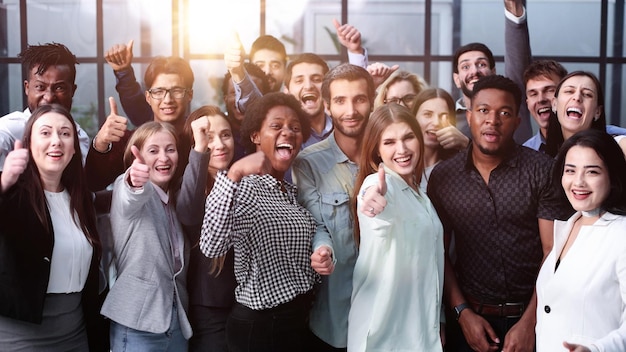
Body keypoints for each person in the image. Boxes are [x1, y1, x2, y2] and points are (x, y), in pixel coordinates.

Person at [425, 75, 572, 352]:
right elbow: (438, 252)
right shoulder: (444, 177)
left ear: (517, 122)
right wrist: (462, 313)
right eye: (483, 110)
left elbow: (553, 251)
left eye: (504, 113)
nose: (492, 120)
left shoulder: (542, 170)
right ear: (468, 117)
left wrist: (530, 323)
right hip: (471, 319)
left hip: (538, 316)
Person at [199, 92, 317, 352]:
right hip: (262, 326)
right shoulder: (246, 186)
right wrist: (234, 173)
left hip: (294, 321)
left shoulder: (288, 189)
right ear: (255, 136)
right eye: (276, 126)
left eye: (295, 128)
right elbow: (212, 246)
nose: (287, 132)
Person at [0, 104, 106, 351]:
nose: (56, 141)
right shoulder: (12, 194)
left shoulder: (78, 200)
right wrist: (4, 183)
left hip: (76, 334)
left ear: (73, 150)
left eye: (65, 134)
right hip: (20, 339)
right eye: (45, 133)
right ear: (28, 144)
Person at [102, 120, 209, 351]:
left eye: (170, 149)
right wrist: (134, 178)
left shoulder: (173, 201)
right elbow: (130, 193)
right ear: (137, 157)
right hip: (138, 323)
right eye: (153, 151)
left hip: (176, 323)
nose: (164, 158)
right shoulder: (129, 187)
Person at [291, 63, 376, 352]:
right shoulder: (308, 163)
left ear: (372, 102)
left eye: (359, 99)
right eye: (340, 100)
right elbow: (316, 224)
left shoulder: (392, 156)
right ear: (327, 106)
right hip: (335, 321)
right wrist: (322, 250)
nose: (350, 110)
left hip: (389, 317)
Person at [348, 103, 445, 351]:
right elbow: (373, 206)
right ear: (377, 151)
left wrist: (438, 321)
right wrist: (371, 202)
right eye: (389, 142)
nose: (401, 149)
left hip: (420, 334)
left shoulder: (419, 193)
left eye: (408, 137)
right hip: (385, 338)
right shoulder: (380, 184)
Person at [535, 129, 626, 351]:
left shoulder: (621, 233)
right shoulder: (569, 225)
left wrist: (597, 349)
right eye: (570, 170)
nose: (578, 182)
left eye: (592, 172)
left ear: (612, 177)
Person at [86, 55, 195, 191]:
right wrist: (101, 143)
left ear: (190, 95)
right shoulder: (132, 142)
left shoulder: (198, 140)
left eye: (176, 91)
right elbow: (93, 183)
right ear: (148, 97)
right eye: (159, 91)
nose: (167, 100)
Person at [180, 105, 238, 352]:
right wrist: (200, 149)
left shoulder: (243, 179)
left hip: (248, 305)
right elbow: (188, 213)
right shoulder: (191, 183)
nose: (220, 144)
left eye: (225, 135)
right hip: (210, 309)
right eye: (208, 137)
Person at [452, 0, 533, 144]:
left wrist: (514, 10)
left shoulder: (512, 104)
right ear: (457, 79)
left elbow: (518, 62)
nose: (474, 71)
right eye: (465, 67)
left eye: (481, 64)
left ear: (493, 72)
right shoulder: (445, 118)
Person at [0, 43, 90, 170]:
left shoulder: (79, 136)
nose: (49, 97)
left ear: (72, 90)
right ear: (27, 88)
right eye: (40, 87)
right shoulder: (9, 129)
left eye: (59, 88)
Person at [522, 60, 626, 152]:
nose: (541, 99)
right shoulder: (527, 153)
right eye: (533, 94)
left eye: (549, 90)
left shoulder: (618, 141)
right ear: (555, 104)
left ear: (597, 111)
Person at [543, 71, 626, 158]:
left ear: (597, 112)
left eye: (587, 94)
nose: (577, 97)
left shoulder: (619, 146)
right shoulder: (549, 157)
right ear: (554, 104)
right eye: (569, 91)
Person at [411, 88, 462, 192]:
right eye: (428, 114)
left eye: (444, 116)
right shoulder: (401, 163)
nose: (436, 122)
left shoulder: (458, 168)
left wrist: (465, 144)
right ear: (414, 117)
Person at [222, 62, 271, 161]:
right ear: (225, 99)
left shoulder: (273, 134)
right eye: (234, 93)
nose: (241, 100)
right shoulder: (217, 137)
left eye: (250, 94)